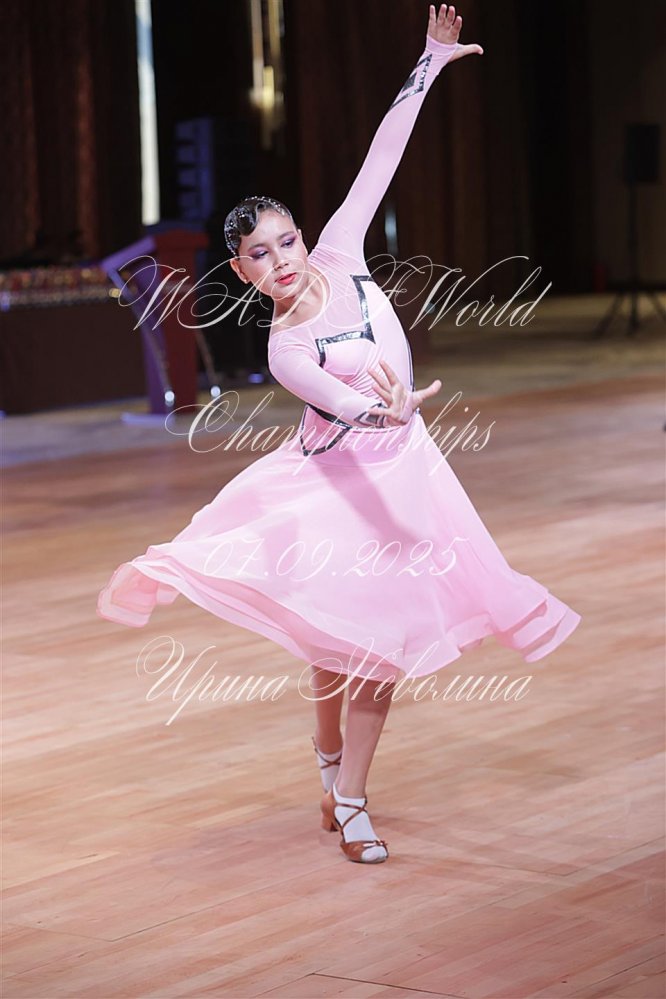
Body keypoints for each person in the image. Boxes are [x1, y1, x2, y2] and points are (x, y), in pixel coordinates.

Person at [97, 5, 581, 865]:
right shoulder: (285, 347)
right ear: (242, 270)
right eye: (262, 254)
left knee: (363, 648)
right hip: (338, 486)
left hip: (408, 477)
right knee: (354, 646)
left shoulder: (343, 252)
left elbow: (383, 155)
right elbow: (347, 406)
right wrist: (390, 410)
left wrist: (429, 64)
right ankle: (343, 787)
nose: (283, 259)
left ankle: (338, 781)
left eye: (287, 241)